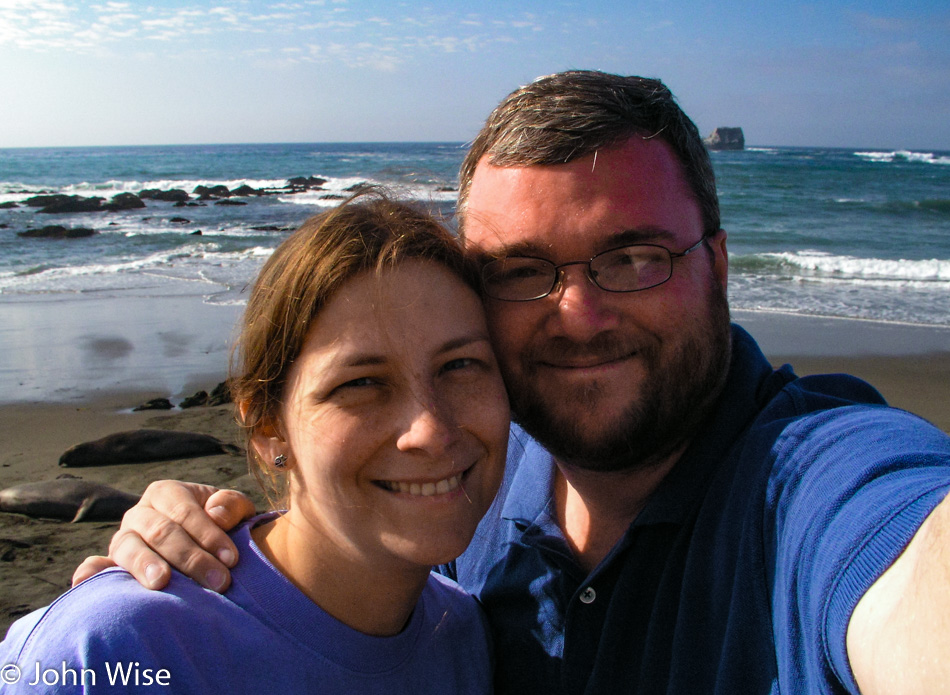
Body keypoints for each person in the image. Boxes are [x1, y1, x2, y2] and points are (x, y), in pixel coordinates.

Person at [72, 71, 950, 694]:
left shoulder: (812, 481)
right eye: (523, 270)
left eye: (634, 256)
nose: (578, 313)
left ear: (717, 264)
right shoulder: (471, 478)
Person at [0, 194, 510, 693]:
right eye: (361, 383)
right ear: (269, 429)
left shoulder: (463, 633)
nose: (430, 430)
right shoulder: (117, 649)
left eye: (460, 365)